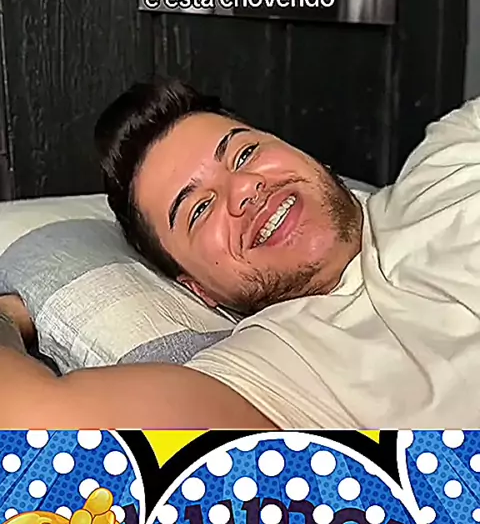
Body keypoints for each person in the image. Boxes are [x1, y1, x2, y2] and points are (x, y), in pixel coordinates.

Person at [2, 79, 480, 428]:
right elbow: (38, 421)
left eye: (245, 154)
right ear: (198, 288)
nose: (246, 189)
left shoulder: (452, 151)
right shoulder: (272, 368)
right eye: (199, 209)